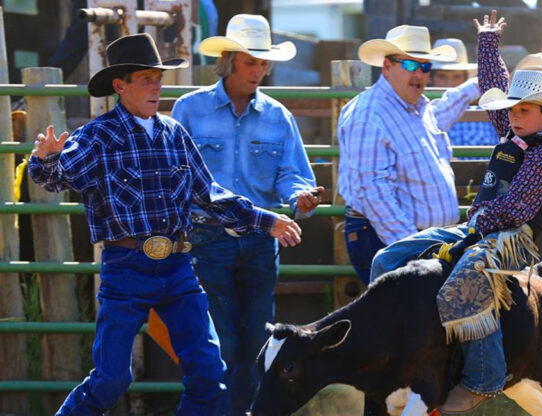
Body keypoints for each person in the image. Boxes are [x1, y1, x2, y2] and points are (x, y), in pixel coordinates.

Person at [28, 33, 302, 416]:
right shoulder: (97, 136)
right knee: (111, 380)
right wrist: (46, 160)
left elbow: (210, 194)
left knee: (208, 373)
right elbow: (58, 178)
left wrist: (263, 219)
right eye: (146, 79)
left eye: (158, 78)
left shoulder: (174, 133)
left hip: (177, 267)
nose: (156, 87)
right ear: (120, 86)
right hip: (127, 269)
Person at [369, 11, 542, 413]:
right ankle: (394, 349)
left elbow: (516, 207)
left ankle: (485, 374)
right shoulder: (515, 131)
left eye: (525, 110)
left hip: (515, 238)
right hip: (478, 226)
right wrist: (487, 41)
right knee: (389, 257)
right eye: (513, 110)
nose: (515, 116)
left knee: (468, 275)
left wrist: (473, 228)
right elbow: (494, 85)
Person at [170, 14, 321, 415]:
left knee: (253, 344)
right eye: (251, 61)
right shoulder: (188, 109)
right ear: (231, 60)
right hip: (207, 237)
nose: (258, 69)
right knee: (220, 342)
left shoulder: (277, 115)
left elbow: (292, 175)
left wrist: (300, 197)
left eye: (263, 62)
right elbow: (175, 176)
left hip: (259, 239)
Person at [337, 25, 479, 284]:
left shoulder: (414, 107)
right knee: (402, 321)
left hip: (415, 239)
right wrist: (415, 250)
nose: (420, 74)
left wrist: (476, 86)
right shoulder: (370, 113)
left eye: (425, 67)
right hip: (389, 239)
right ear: (387, 67)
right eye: (410, 66)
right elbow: (373, 192)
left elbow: (442, 112)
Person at [429, 38, 495, 147]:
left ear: (465, 79)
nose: (449, 83)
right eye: (442, 76)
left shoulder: (484, 111)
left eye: (456, 76)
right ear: (430, 78)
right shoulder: (420, 111)